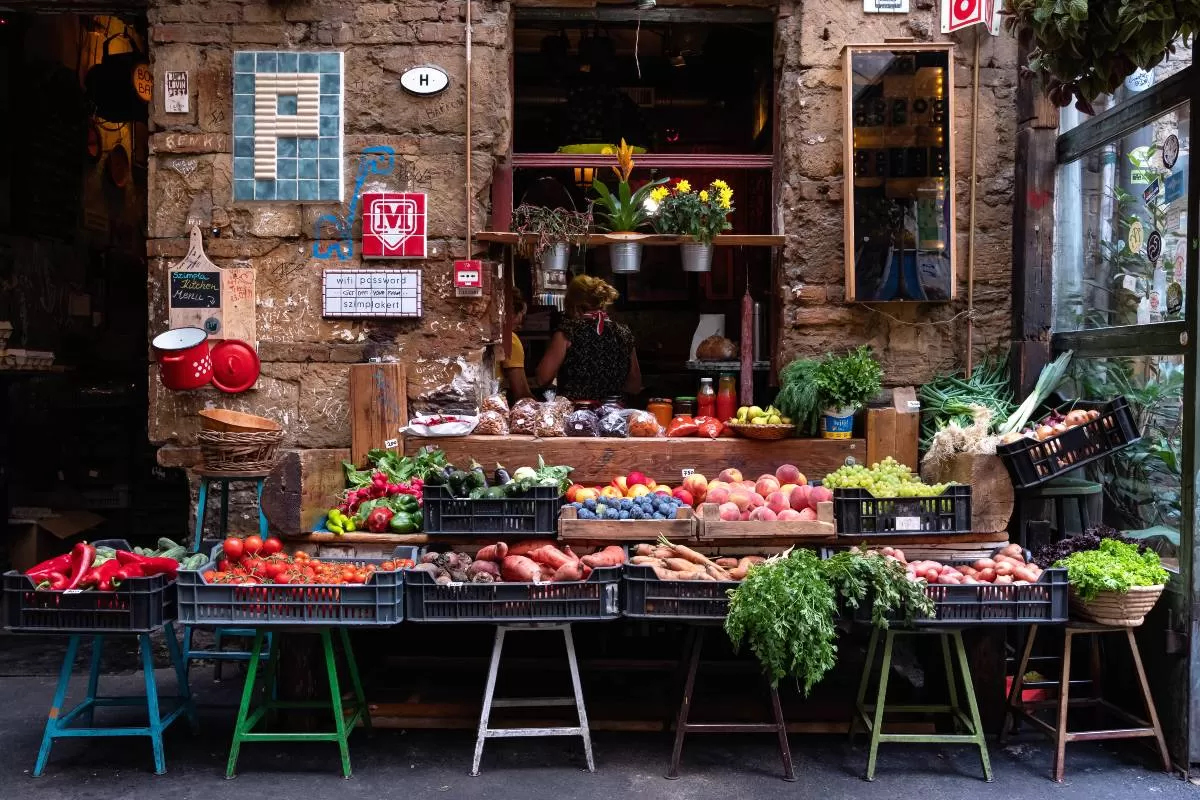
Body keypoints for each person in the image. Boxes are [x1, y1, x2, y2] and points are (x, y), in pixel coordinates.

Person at [536, 275, 642, 401]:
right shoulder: (624, 333)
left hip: (576, 413)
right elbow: (634, 385)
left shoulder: (568, 331)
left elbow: (542, 378)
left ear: (574, 306)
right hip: (612, 414)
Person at [498, 290, 533, 401]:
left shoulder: (495, 335)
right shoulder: (510, 338)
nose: (521, 324)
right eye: (522, 315)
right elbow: (522, 393)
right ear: (512, 312)